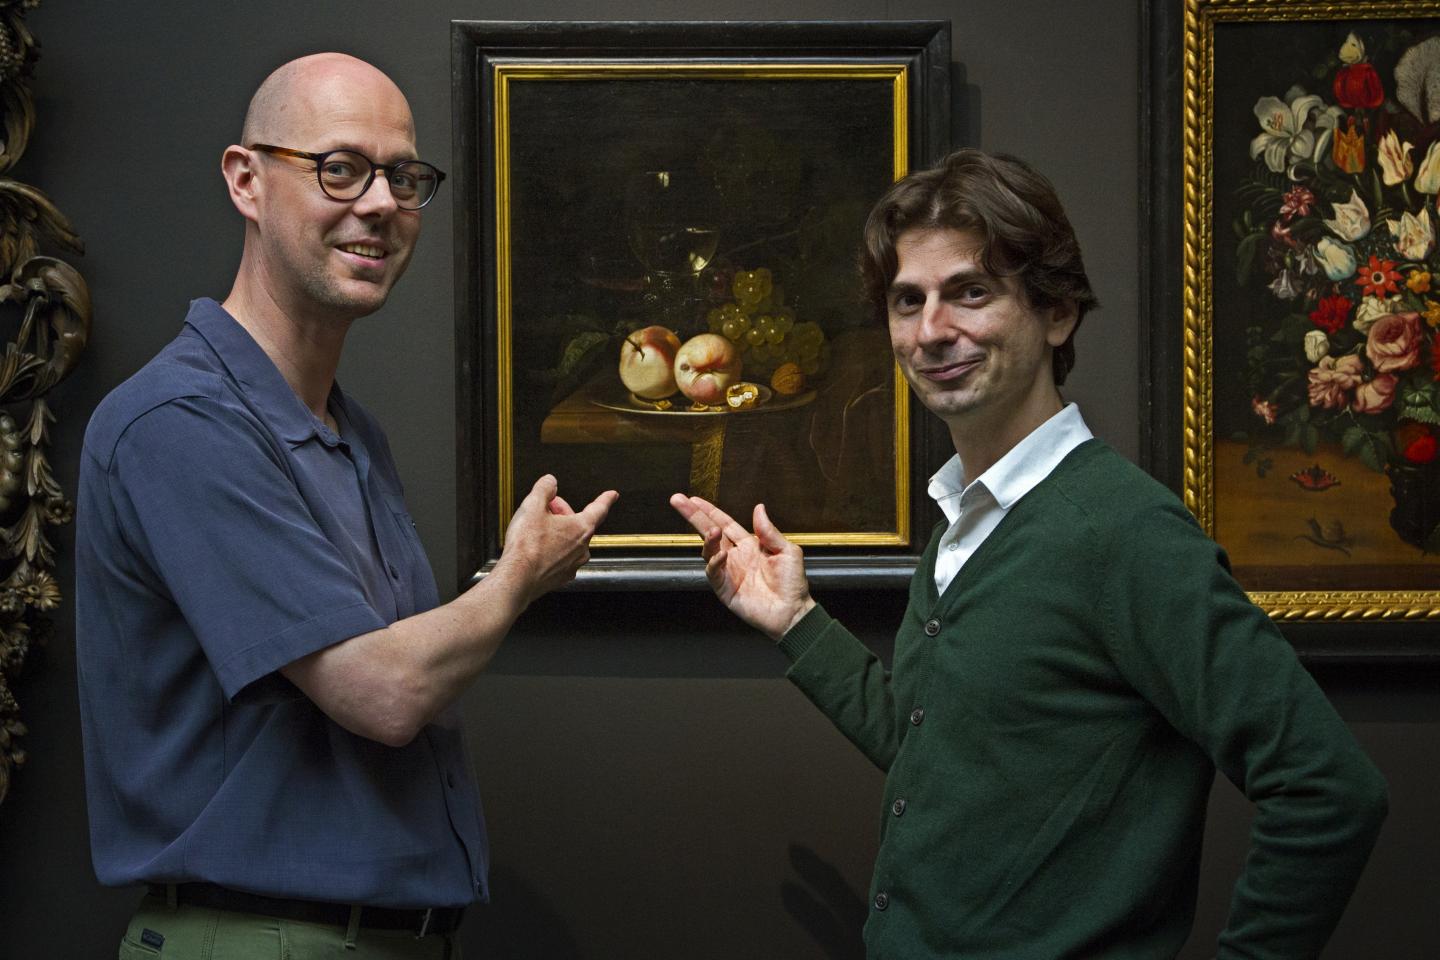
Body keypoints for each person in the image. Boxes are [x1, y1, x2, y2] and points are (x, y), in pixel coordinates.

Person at [671, 148, 1387, 959]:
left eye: (970, 292)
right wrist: (795, 620)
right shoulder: (963, 519)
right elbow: (939, 754)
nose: (933, 331)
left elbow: (1330, 792)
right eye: (909, 302)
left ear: (1055, 312)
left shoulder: (1124, 534)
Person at [75, 52, 616, 957]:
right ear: (246, 181)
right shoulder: (179, 423)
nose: (378, 204)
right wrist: (518, 578)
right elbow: (386, 691)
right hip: (259, 938)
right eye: (338, 168)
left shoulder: (346, 428)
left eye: (403, 177)